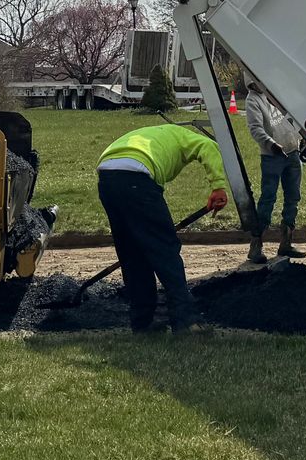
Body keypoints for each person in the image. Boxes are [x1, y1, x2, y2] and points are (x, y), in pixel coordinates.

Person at [96, 120, 229, 333]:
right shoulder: (184, 136)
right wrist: (218, 187)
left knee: (132, 254)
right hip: (137, 177)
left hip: (107, 177)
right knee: (165, 250)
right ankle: (186, 321)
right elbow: (208, 146)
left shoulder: (152, 133)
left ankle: (142, 322)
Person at [242, 80, 306, 263]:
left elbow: (292, 116)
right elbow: (255, 129)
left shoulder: (274, 93)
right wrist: (271, 145)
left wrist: (300, 138)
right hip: (272, 157)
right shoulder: (252, 101)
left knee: (293, 197)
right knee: (268, 198)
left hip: (293, 152)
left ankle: (286, 243)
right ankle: (256, 246)